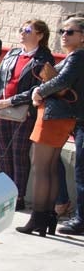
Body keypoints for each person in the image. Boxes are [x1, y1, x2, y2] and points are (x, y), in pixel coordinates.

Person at [13, 15, 84, 236]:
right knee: (50, 168)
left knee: (42, 168)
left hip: (53, 116)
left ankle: (38, 218)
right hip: (61, 117)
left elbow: (61, 81)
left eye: (70, 32)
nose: (64, 35)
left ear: (82, 37)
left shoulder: (77, 56)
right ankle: (47, 218)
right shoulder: (75, 56)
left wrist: (39, 91)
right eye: (62, 31)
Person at [0, 20, 55, 212]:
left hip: (24, 112)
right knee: (4, 154)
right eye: (20, 30)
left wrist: (9, 101)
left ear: (40, 35)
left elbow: (38, 88)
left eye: (27, 30)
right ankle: (4, 194)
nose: (22, 33)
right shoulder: (12, 53)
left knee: (19, 154)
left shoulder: (44, 58)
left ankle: (18, 197)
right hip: (0, 110)